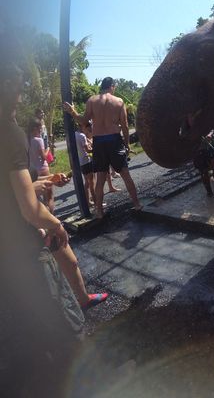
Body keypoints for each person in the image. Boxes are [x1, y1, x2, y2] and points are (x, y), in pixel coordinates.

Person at [1, 59, 85, 396]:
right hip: (23, 249)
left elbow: (12, 191)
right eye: (18, 90)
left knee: (24, 328)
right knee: (65, 322)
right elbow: (29, 209)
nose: (21, 99)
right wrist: (56, 224)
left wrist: (44, 182)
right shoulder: (9, 132)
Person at [64, 76, 142, 218]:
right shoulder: (119, 101)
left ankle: (99, 211)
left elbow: (83, 121)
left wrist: (72, 112)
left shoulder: (92, 101)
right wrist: (127, 144)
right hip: (114, 140)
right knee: (125, 174)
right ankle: (137, 204)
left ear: (102, 86)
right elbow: (124, 126)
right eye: (114, 87)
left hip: (99, 141)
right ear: (112, 86)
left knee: (100, 179)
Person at [28, 117, 55, 212]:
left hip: (34, 171)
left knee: (39, 200)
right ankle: (52, 219)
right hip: (43, 169)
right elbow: (44, 157)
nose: (41, 130)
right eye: (40, 128)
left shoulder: (27, 140)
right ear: (35, 128)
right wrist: (48, 149)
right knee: (49, 197)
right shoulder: (38, 140)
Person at [194, 130, 214, 197]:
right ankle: (209, 193)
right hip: (198, 149)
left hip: (211, 146)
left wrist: (211, 135)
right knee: (203, 171)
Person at [75, 121, 96, 206]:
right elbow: (88, 150)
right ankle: (96, 202)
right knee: (92, 182)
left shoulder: (75, 134)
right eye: (87, 126)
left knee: (87, 183)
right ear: (83, 126)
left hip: (81, 162)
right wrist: (97, 147)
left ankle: (88, 201)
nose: (88, 129)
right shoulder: (82, 136)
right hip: (86, 160)